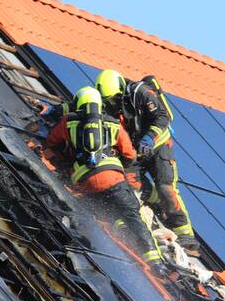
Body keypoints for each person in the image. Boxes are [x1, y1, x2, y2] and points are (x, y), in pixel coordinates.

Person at [44, 86, 164, 269]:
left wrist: (63, 165)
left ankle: (116, 241)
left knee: (106, 212)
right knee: (132, 215)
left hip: (85, 184)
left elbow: (50, 143)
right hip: (113, 180)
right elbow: (130, 155)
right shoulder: (113, 123)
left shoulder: (68, 122)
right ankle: (154, 261)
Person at [94, 70, 198, 255]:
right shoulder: (109, 104)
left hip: (159, 145)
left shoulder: (140, 92)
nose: (112, 104)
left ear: (121, 89)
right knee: (134, 185)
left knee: (166, 186)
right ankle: (156, 201)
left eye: (114, 99)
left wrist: (150, 138)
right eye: (108, 101)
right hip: (136, 150)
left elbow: (163, 117)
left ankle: (185, 234)